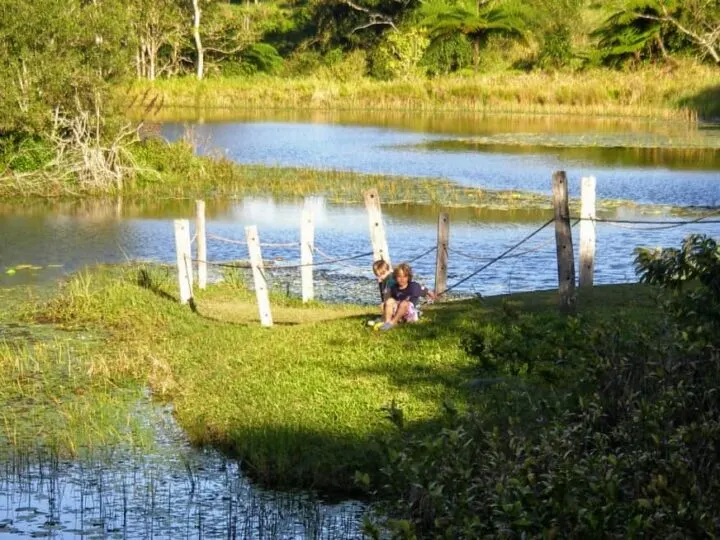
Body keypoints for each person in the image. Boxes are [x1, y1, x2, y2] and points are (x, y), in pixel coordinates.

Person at [379, 262, 435, 331]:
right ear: (395, 277)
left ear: (408, 277)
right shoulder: (394, 288)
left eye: (404, 276)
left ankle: (392, 323)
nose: (402, 279)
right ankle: (387, 322)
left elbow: (425, 290)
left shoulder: (414, 286)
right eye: (399, 276)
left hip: (410, 313)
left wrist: (431, 295)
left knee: (404, 303)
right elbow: (390, 300)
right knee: (389, 301)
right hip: (398, 311)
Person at [369, 259, 395, 326]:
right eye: (377, 275)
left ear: (386, 271)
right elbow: (385, 295)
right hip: (393, 303)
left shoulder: (391, 280)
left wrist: (384, 304)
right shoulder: (386, 279)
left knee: (384, 305)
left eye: (381, 275)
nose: (379, 277)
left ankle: (385, 320)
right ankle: (384, 317)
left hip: (396, 303)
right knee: (383, 304)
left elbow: (388, 295)